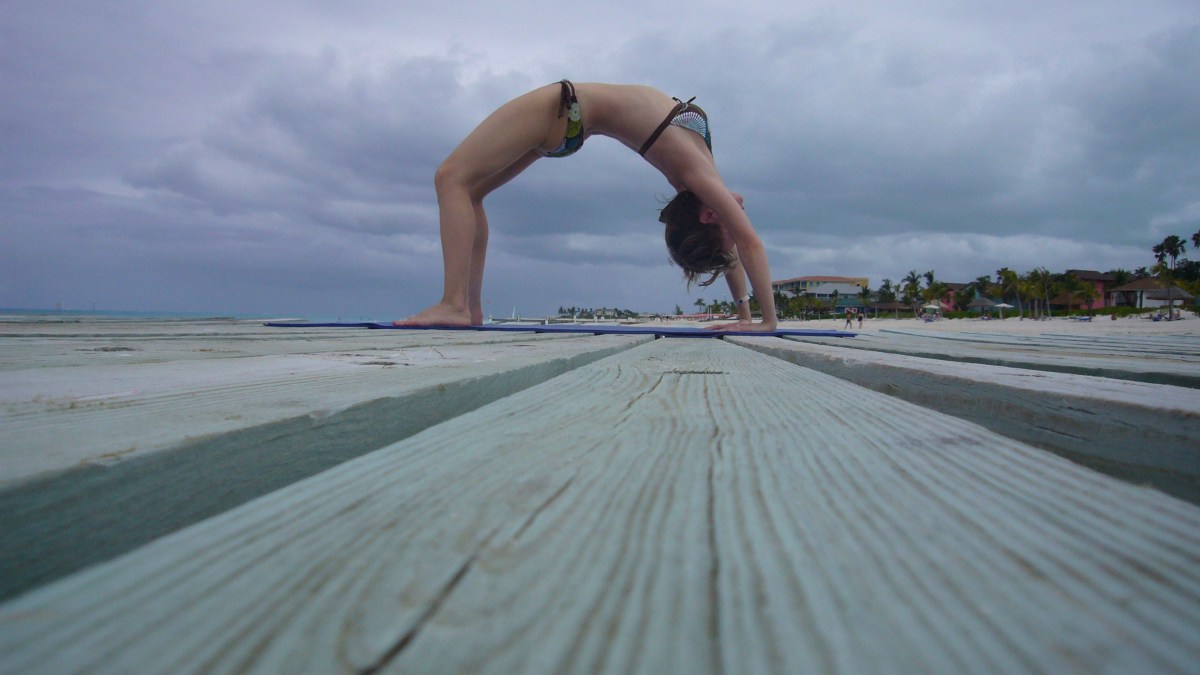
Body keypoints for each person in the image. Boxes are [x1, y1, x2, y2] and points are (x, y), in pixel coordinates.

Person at [395, 81, 777, 332]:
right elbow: (737, 249)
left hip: (566, 109)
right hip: (573, 125)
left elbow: (748, 245)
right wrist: (747, 315)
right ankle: (470, 310)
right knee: (471, 191)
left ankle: (454, 304)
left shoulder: (699, 178)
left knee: (450, 178)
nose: (739, 216)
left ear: (710, 215)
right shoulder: (703, 181)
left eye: (729, 221)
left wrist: (767, 323)